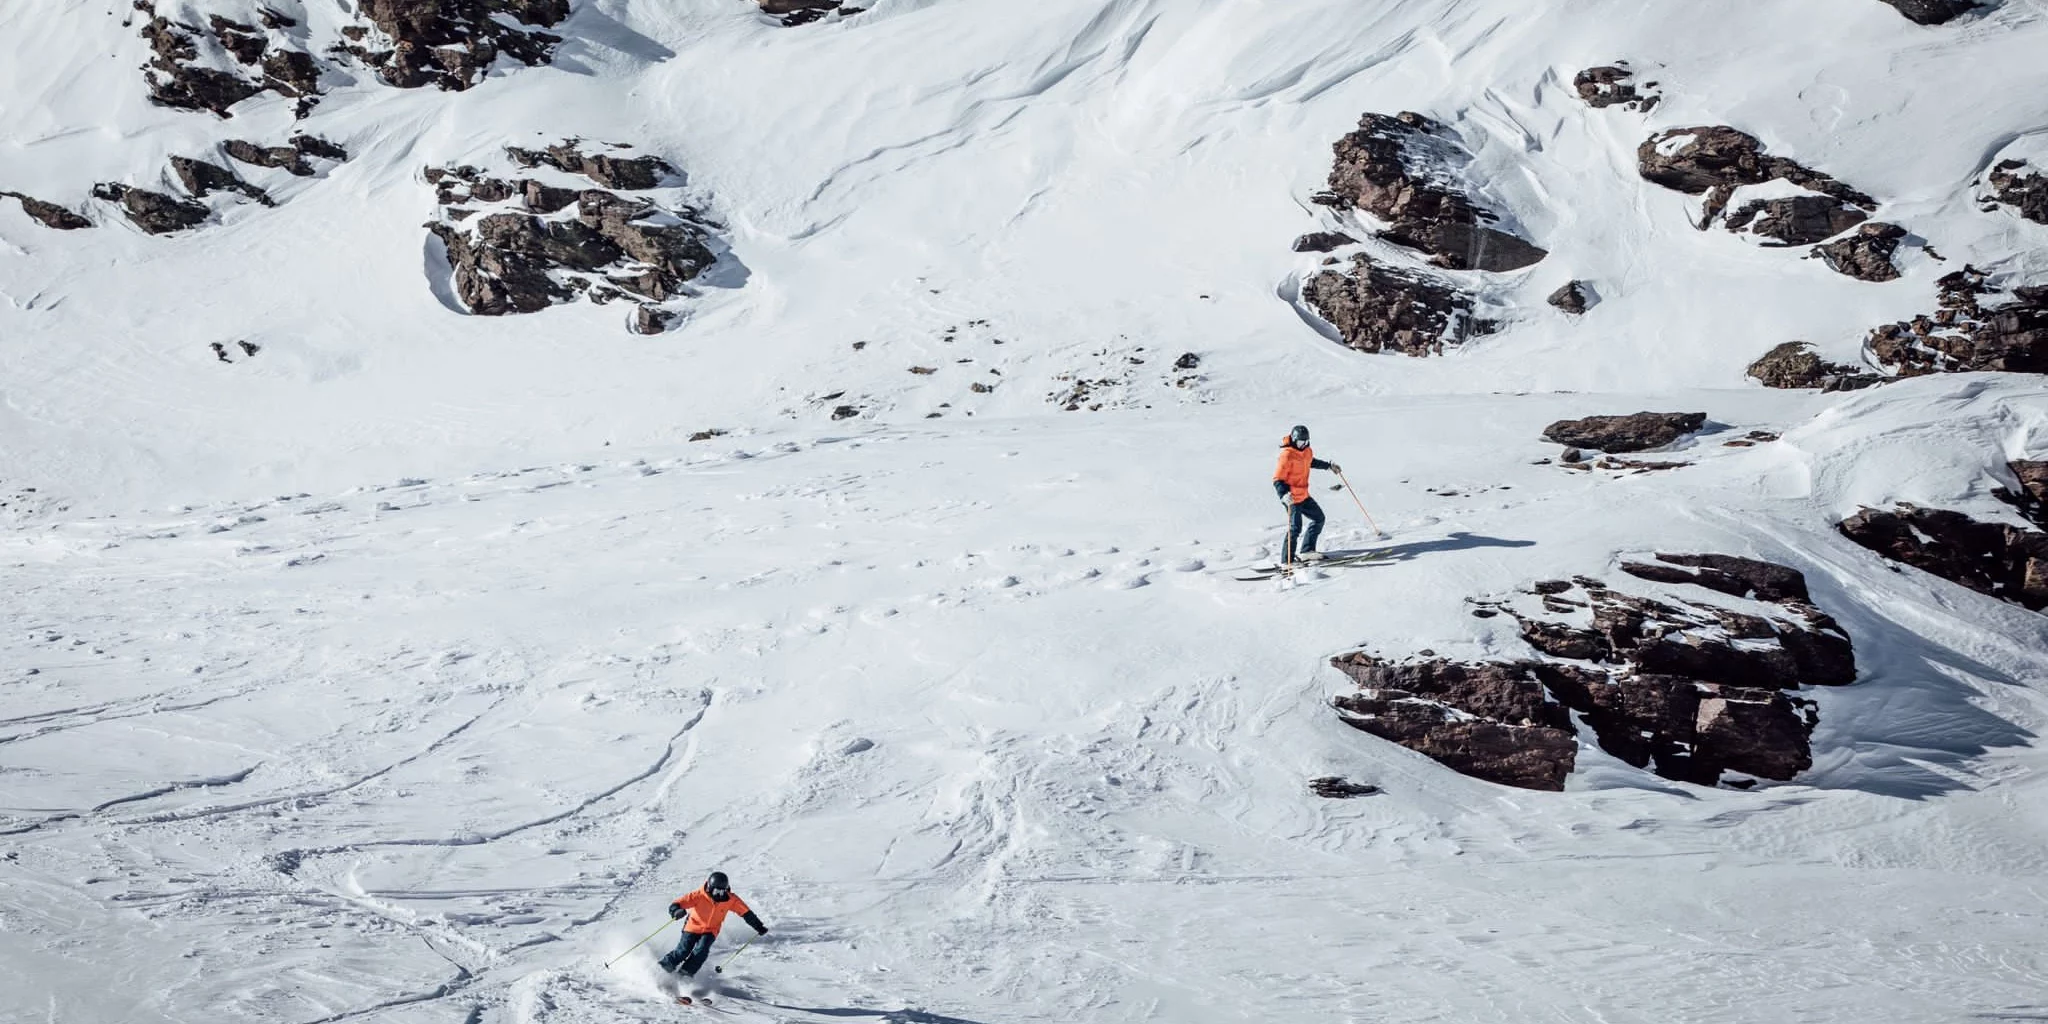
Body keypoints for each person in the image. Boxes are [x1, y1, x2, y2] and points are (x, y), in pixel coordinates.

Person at [659, 871, 769, 977]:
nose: (719, 895)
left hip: (710, 931)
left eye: (722, 892)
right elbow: (677, 904)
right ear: (710, 888)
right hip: (692, 927)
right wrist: (676, 911)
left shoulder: (731, 899)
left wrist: (758, 926)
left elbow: (746, 913)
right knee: (683, 951)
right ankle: (662, 969)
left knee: (701, 952)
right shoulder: (698, 895)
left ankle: (685, 974)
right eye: (717, 891)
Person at [1272, 424, 1339, 563]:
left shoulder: (1307, 451)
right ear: (1294, 440)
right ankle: (1287, 561)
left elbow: (1310, 461)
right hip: (1291, 498)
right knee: (1295, 528)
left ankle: (1307, 550)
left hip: (1303, 494)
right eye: (1300, 442)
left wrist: (1329, 466)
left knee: (1319, 518)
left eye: (1306, 442)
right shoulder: (1287, 455)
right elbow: (1278, 479)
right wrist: (1284, 495)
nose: (1303, 445)